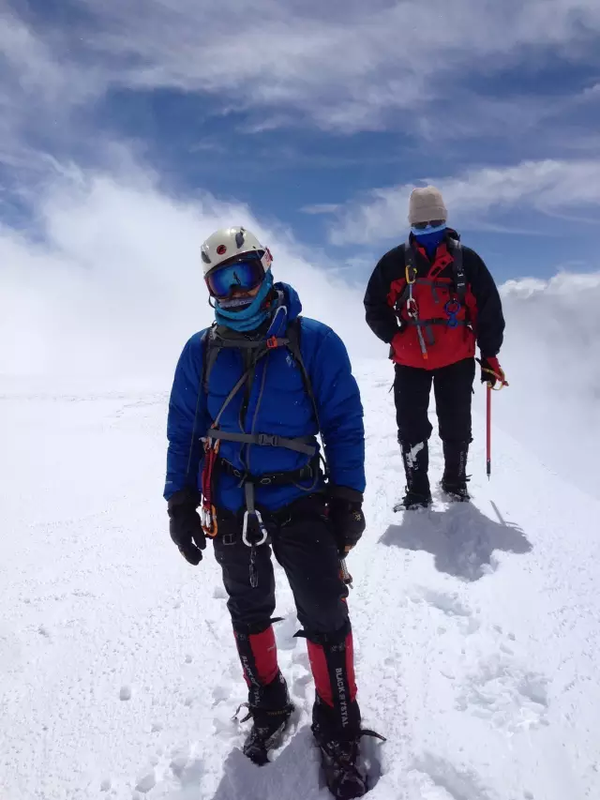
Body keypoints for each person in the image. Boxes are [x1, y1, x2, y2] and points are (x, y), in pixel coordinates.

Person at [165, 226, 375, 799]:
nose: (236, 291)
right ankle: (268, 701)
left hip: (301, 499)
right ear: (209, 288)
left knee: (325, 608)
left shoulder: (315, 343)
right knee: (249, 604)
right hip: (231, 503)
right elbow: (184, 431)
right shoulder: (200, 353)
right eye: (221, 280)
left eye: (244, 275)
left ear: (267, 269)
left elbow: (343, 423)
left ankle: (338, 726)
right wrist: (179, 501)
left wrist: (348, 495)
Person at [364, 187, 506, 509]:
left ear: (445, 220)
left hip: (454, 357)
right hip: (412, 358)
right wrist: (395, 337)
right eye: (421, 224)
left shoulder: (465, 261)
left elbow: (487, 308)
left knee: (455, 422)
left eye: (435, 223)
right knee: (412, 425)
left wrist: (490, 354)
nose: (428, 230)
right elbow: (374, 305)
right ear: (411, 224)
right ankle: (418, 491)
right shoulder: (394, 263)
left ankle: (453, 483)